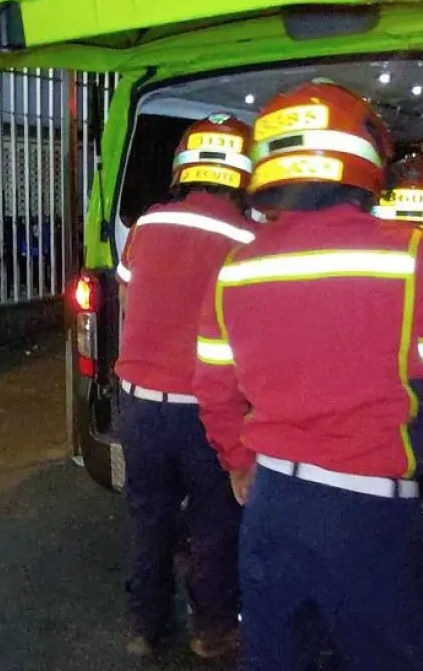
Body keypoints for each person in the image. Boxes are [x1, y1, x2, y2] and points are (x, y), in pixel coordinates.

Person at [193, 81, 423, 670]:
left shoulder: (237, 267)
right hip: (369, 520)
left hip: (271, 507)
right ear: (364, 159)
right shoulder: (415, 257)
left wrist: (237, 459)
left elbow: (213, 387)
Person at [115, 113, 258, 660]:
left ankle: (144, 626)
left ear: (183, 167)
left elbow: (126, 298)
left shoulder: (148, 224)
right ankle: (211, 630)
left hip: (140, 409)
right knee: (214, 522)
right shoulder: (250, 239)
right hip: (208, 413)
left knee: (149, 518)